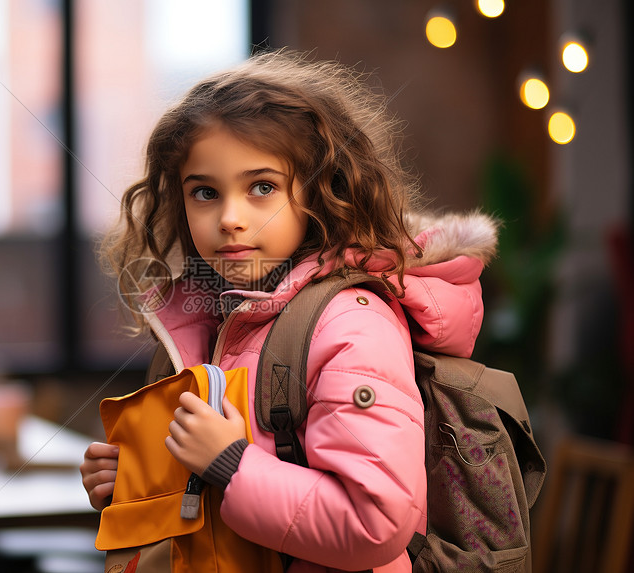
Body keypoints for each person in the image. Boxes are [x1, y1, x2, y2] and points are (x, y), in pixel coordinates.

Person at [80, 50, 498, 572]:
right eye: (205, 192)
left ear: (319, 194)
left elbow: (375, 522)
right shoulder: (219, 316)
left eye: (262, 188)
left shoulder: (351, 323)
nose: (230, 219)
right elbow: (227, 496)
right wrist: (140, 478)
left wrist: (230, 464)